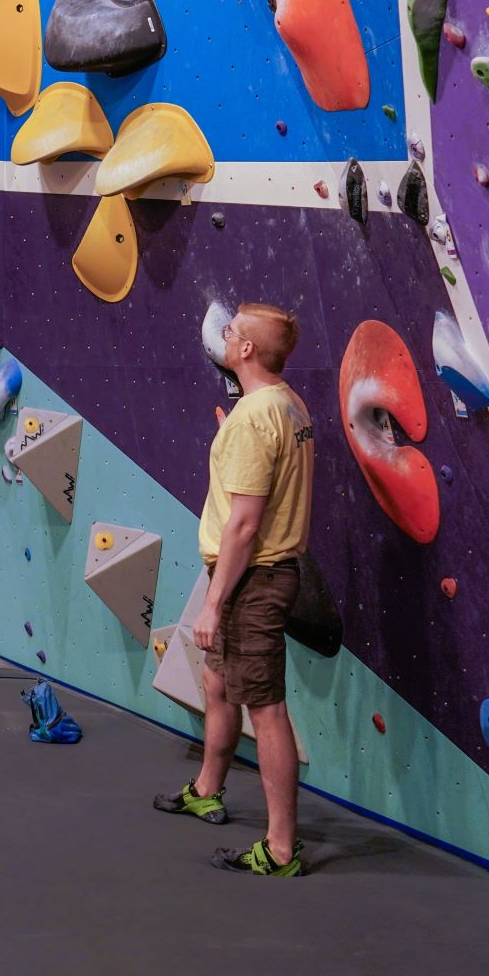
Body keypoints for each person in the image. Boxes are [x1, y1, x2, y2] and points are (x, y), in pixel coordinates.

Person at [152, 301, 315, 877]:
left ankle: (280, 849)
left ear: (246, 350)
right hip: (254, 572)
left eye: (230, 331)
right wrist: (232, 445)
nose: (222, 334)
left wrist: (216, 602)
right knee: (217, 684)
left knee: (266, 711)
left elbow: (245, 525)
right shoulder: (286, 404)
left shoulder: (254, 418)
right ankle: (206, 788)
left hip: (252, 578)